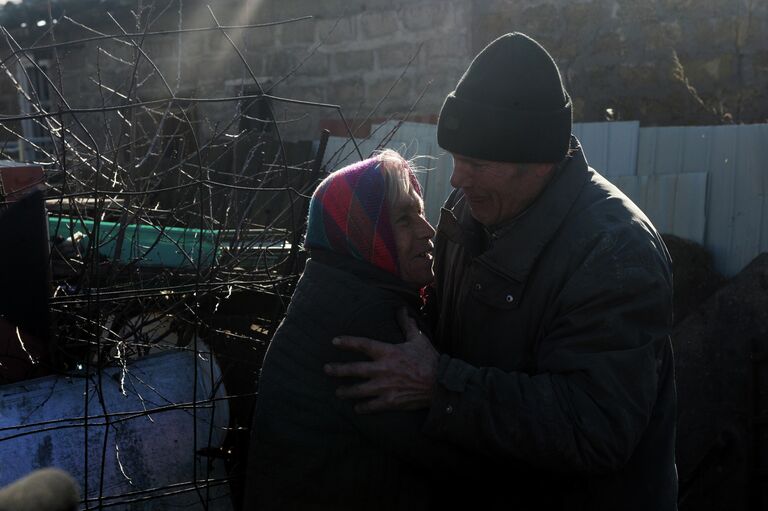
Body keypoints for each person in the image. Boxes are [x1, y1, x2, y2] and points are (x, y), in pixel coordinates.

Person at [325, 32, 678, 510]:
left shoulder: (614, 253)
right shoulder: (473, 208)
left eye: (476, 163)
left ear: (538, 163)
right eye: (455, 157)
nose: (456, 178)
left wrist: (440, 385)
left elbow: (595, 428)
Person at [243, 150, 471, 510]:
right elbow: (447, 456)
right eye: (404, 219)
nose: (428, 231)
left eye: (421, 213)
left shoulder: (335, 286)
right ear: (366, 234)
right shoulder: (366, 321)